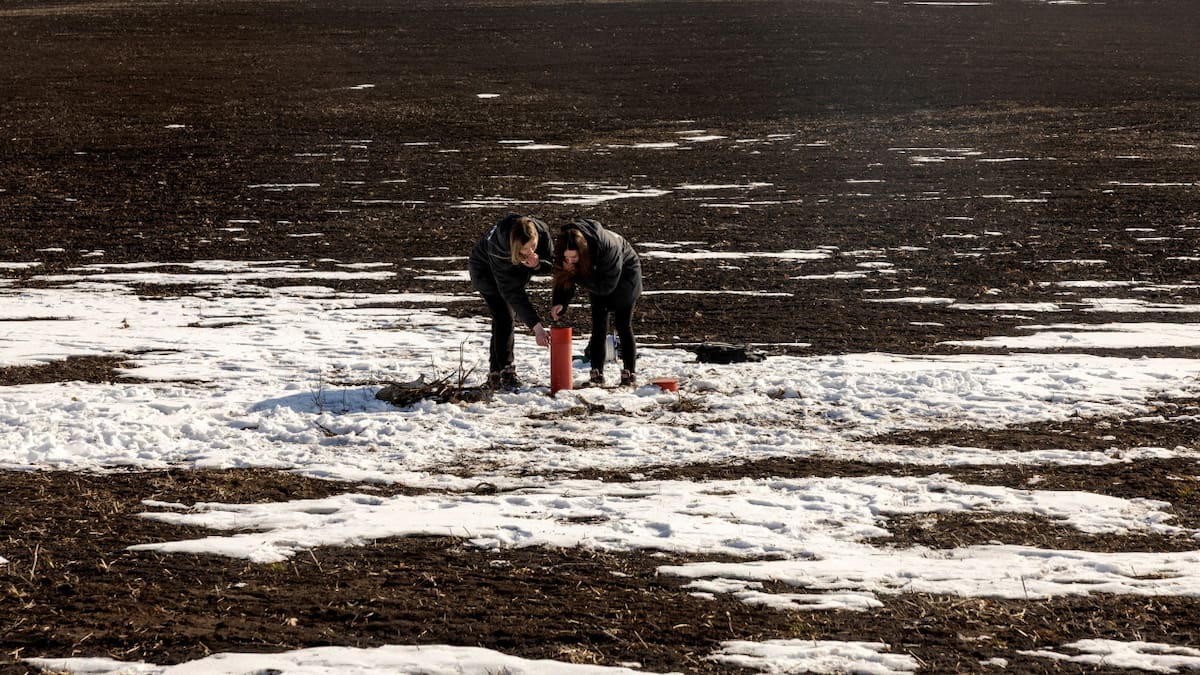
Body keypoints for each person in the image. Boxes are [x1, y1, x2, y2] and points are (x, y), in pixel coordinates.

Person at [550, 218, 642, 386]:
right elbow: (565, 275)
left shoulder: (609, 248)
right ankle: (596, 372)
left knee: (622, 323)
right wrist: (560, 301)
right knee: (598, 325)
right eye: (567, 258)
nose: (569, 261)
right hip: (597, 275)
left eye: (574, 257)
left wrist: (577, 276)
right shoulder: (565, 245)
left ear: (583, 252)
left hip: (625, 274)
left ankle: (629, 372)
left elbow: (606, 287)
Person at [468, 213, 553, 389]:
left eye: (533, 246)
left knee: (503, 318)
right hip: (484, 271)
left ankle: (496, 372)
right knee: (504, 314)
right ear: (515, 248)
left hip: (510, 270)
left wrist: (538, 264)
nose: (530, 252)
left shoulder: (541, 232)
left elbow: (553, 264)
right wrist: (537, 328)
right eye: (525, 250)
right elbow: (513, 292)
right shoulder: (499, 249)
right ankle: (505, 370)